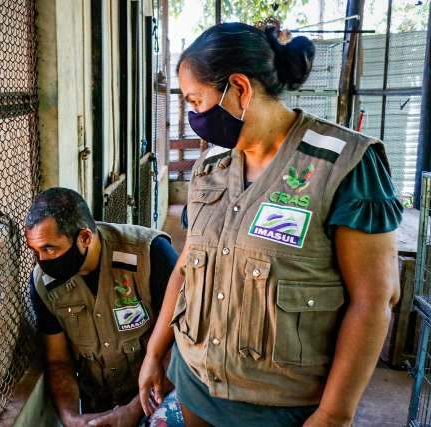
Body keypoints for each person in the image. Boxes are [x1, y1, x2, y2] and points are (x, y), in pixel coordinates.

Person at [138, 23, 403, 427]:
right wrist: (155, 352)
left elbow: (374, 300)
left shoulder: (343, 164)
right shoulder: (211, 169)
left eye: (196, 101)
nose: (194, 116)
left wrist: (334, 414)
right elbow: (187, 266)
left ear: (240, 89)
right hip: (195, 383)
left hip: (283, 406)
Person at [25, 187, 182, 427]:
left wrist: (133, 410)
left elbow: (184, 344)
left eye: (49, 248)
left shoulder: (150, 254)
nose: (42, 262)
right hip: (99, 407)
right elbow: (58, 360)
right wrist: (71, 419)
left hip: (161, 397)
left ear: (85, 238)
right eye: (35, 251)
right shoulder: (43, 285)